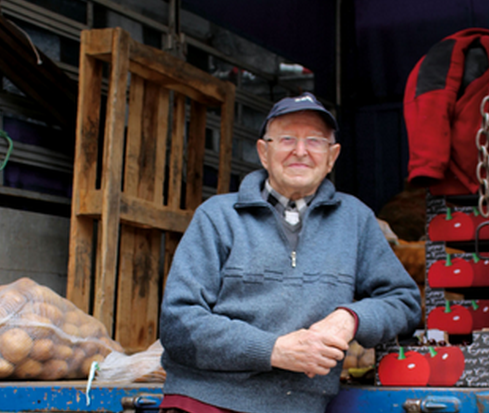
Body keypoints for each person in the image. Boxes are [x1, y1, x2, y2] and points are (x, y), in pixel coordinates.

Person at [158, 92, 422, 413]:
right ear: (263, 152)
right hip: (205, 401)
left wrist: (350, 318)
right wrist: (273, 350)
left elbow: (404, 302)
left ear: (332, 156)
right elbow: (178, 323)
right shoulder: (217, 216)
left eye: (314, 141)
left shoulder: (355, 220)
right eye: (286, 139)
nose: (300, 151)